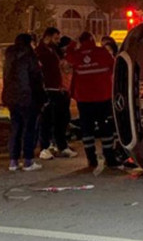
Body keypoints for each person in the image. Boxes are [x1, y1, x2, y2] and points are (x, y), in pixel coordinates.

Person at [67, 32, 119, 168]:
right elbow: (114, 67)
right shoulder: (102, 52)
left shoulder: (77, 55)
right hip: (103, 97)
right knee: (106, 128)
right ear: (92, 39)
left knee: (87, 129)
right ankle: (109, 157)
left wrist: (74, 42)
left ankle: (91, 159)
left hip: (84, 100)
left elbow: (68, 55)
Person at [2, 33, 44, 171]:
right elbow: (36, 79)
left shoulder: (9, 57)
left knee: (15, 128)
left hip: (12, 97)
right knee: (29, 129)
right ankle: (28, 160)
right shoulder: (30, 56)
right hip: (28, 97)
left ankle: (13, 161)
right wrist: (41, 97)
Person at [36, 27, 77, 160]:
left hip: (59, 89)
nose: (58, 41)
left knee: (61, 119)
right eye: (56, 38)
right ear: (47, 37)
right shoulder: (41, 52)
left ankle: (61, 145)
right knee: (47, 120)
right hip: (49, 90)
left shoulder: (53, 51)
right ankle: (45, 147)